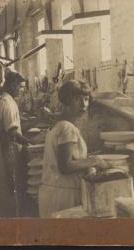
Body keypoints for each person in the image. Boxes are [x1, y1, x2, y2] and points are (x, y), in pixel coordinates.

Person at [38, 80, 110, 218]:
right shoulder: (67, 128)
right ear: (66, 101)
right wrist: (94, 161)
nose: (84, 104)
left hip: (52, 192)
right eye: (77, 99)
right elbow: (65, 166)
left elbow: (70, 158)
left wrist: (86, 160)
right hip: (63, 196)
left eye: (86, 99)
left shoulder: (58, 124)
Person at [0, 71, 30, 217]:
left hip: (2, 148)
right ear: (13, 85)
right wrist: (30, 143)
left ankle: (10, 215)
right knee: (12, 185)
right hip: (8, 150)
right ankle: (14, 219)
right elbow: (12, 133)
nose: (21, 91)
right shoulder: (8, 104)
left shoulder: (3, 101)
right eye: (20, 87)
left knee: (6, 187)